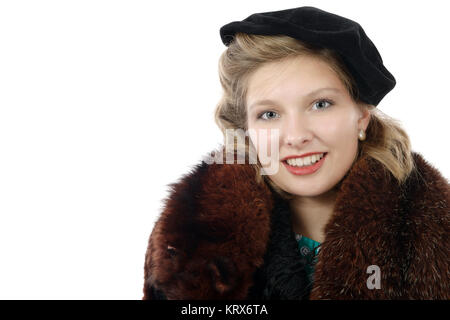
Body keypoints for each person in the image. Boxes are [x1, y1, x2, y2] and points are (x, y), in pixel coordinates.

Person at [142, 6, 449, 300]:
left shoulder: (436, 232)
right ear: (246, 130)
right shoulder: (189, 236)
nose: (297, 136)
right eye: (269, 115)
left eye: (320, 105)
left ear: (362, 116)